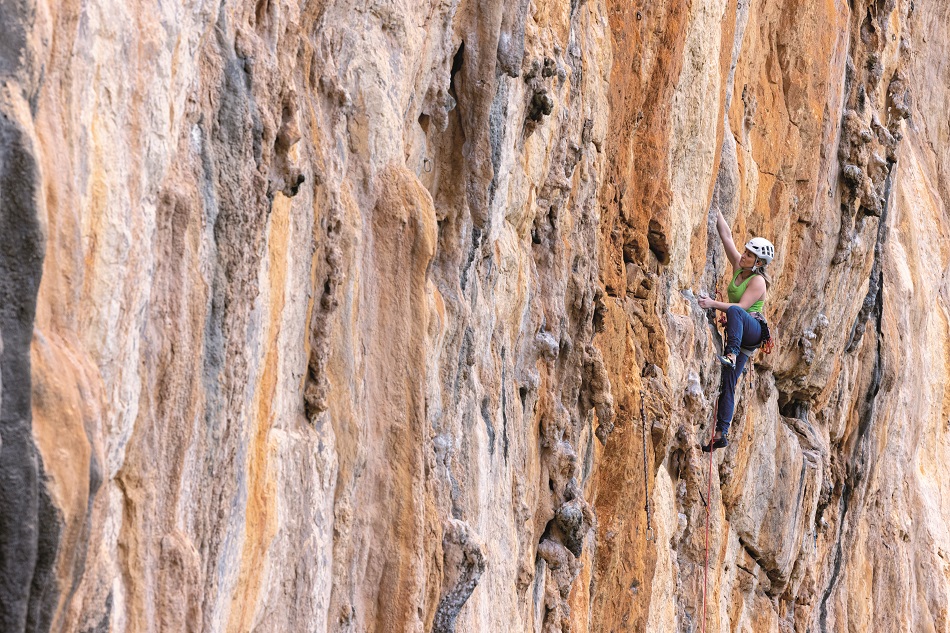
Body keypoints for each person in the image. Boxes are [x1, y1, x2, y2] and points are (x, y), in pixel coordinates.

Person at [697, 210, 774, 451]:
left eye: (750, 255)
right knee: (728, 380)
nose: (744, 255)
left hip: (752, 331)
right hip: (741, 329)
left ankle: (730, 354)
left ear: (758, 263)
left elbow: (740, 308)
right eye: (746, 251)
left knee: (735, 311)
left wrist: (711, 303)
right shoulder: (739, 266)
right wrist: (718, 211)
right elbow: (726, 236)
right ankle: (721, 433)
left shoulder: (758, 281)